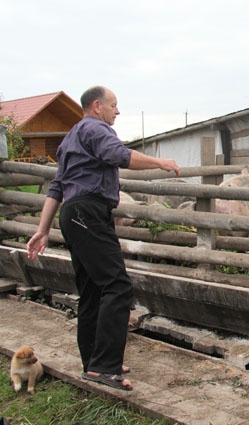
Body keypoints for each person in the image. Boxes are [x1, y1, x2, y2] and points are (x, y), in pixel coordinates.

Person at [26, 86, 181, 391]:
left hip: (73, 214)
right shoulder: (96, 128)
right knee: (117, 285)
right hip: (88, 212)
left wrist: (43, 230)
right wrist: (160, 163)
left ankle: (94, 363)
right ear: (97, 106)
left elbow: (57, 187)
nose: (117, 111)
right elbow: (119, 155)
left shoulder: (71, 137)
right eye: (114, 105)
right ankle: (106, 367)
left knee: (93, 290)